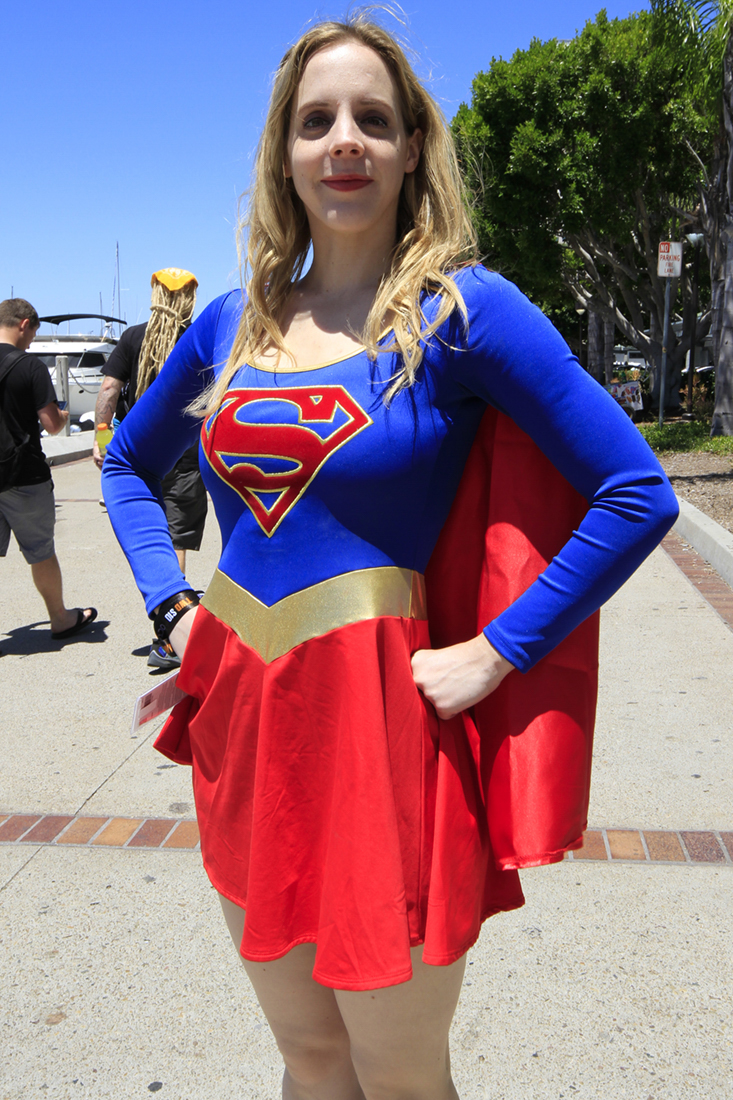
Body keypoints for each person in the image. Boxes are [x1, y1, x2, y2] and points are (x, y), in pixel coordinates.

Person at [102, 16, 679, 1099]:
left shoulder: (464, 313)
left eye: (372, 119)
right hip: (245, 725)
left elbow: (635, 492)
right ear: (284, 152)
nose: (344, 141)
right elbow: (127, 464)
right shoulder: (229, 323)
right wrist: (172, 604)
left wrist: (498, 650)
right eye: (315, 121)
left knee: (399, 1070)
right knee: (309, 1057)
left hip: (383, 736)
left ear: (413, 146)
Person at [94, 269, 207, 669]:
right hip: (187, 449)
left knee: (148, 528)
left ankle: (170, 620)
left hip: (140, 449)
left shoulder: (132, 337)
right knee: (176, 533)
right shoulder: (197, 336)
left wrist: (104, 442)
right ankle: (173, 632)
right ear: (190, 298)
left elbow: (109, 389)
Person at [0, 298, 97, 639]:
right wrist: (65, 416)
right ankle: (60, 618)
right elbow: (52, 424)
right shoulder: (30, 367)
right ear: (24, 324)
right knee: (40, 551)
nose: (31, 342)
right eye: (32, 333)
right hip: (24, 475)